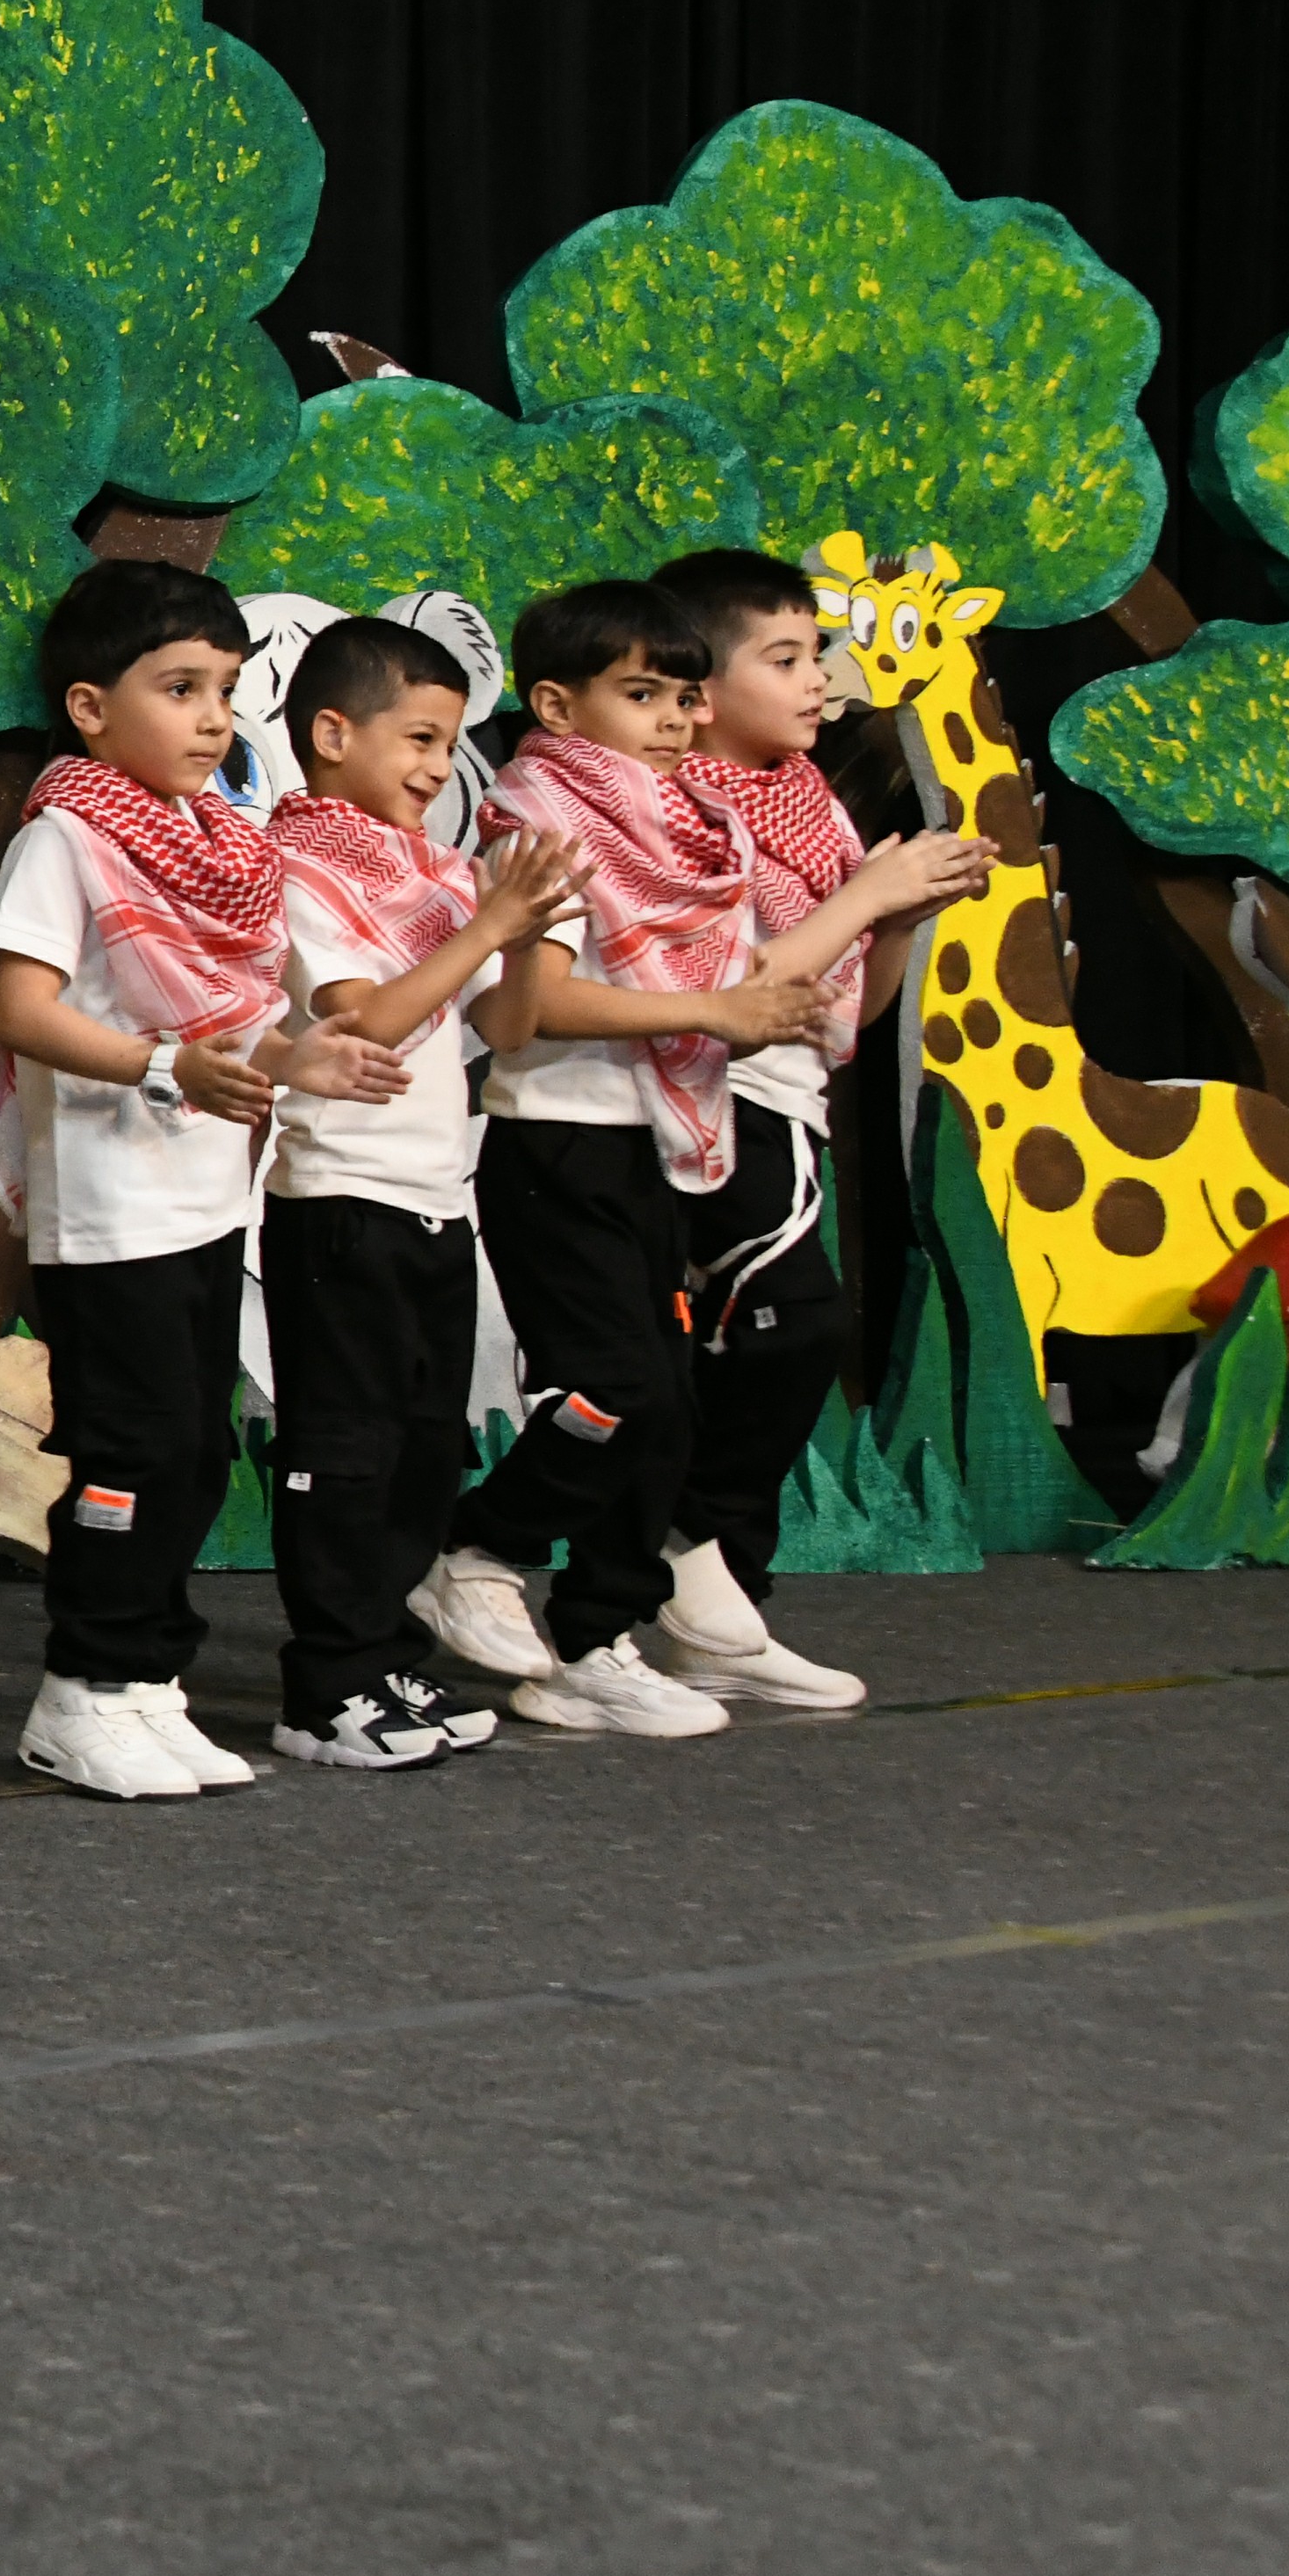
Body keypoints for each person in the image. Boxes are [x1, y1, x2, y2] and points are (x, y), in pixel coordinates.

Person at [419, 576, 928, 1736]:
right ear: (558, 704)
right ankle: (478, 1546)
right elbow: (533, 1009)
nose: (675, 721)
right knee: (624, 1391)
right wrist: (719, 1012)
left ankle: (598, 1643)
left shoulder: (696, 824)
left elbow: (763, 997)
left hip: (656, 1135)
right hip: (559, 1142)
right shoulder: (541, 818)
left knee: (666, 1402)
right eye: (643, 695)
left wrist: (866, 929)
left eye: (684, 698)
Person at [0, 560, 397, 1801]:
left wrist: (298, 1057)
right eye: (180, 689)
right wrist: (167, 1067)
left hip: (206, 1199)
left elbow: (239, 1020)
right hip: (110, 1211)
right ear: (91, 707)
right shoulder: (63, 838)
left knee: (195, 1451)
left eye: (224, 689)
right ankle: (81, 1689)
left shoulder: (223, 845)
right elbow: (26, 1014)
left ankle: (147, 1682)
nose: (214, 718)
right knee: (130, 1450)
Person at [641, 544, 991, 1706]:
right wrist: (867, 897)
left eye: (818, 657)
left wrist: (899, 918)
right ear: (701, 687)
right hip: (708, 1100)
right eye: (785, 660)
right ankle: (676, 1555)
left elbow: (852, 1012)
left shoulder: (810, 802)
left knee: (766, 1346)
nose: (818, 683)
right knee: (790, 1329)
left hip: (793, 1101)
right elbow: (734, 985)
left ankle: (723, 1609)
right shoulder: (675, 805)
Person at [251, 615, 579, 1771]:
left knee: (424, 1453)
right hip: (339, 1203)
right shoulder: (297, 865)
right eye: (422, 739)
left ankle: (384, 1656)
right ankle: (324, 1689)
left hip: (437, 1198)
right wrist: (487, 922)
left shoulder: (432, 872)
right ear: (332, 733)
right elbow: (365, 1021)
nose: (442, 768)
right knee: (344, 1453)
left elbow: (510, 1028)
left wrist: (527, 935)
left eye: (453, 744)